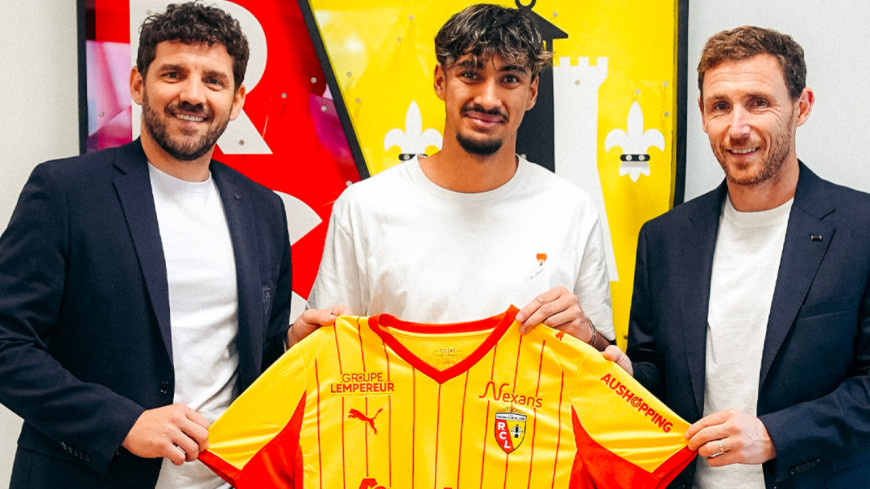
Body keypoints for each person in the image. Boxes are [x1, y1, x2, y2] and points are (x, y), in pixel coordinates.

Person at [0, 3, 292, 488]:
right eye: (173, 74)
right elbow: (7, 342)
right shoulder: (64, 191)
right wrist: (122, 424)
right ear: (138, 84)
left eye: (213, 81)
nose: (192, 95)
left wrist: (292, 343)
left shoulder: (264, 209)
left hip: (223, 479)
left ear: (237, 100)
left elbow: (254, 356)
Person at [613, 26, 870, 488]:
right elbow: (656, 371)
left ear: (802, 107)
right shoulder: (664, 238)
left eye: (758, 102)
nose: (737, 127)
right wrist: (624, 374)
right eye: (721, 106)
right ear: (702, 114)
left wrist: (775, 436)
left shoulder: (861, 228)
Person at [293, 3, 614, 350]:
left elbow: (604, 361)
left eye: (509, 79)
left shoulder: (571, 210)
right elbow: (325, 353)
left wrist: (588, 335)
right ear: (440, 81)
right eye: (471, 74)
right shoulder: (364, 208)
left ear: (532, 92)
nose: (488, 99)